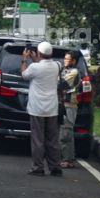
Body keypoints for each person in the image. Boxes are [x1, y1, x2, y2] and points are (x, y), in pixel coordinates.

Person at [21, 41, 62, 177]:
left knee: (38, 139)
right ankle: (55, 166)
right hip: (52, 108)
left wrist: (24, 59)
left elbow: (24, 75)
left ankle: (38, 167)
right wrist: (36, 59)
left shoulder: (34, 67)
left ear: (39, 53)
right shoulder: (57, 66)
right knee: (52, 140)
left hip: (37, 108)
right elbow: (45, 64)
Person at [59, 51, 80, 169]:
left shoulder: (74, 72)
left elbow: (62, 84)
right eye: (65, 58)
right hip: (62, 104)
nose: (65, 61)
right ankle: (64, 158)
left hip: (69, 105)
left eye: (68, 59)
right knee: (61, 132)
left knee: (66, 133)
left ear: (74, 61)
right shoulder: (63, 70)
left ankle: (68, 159)